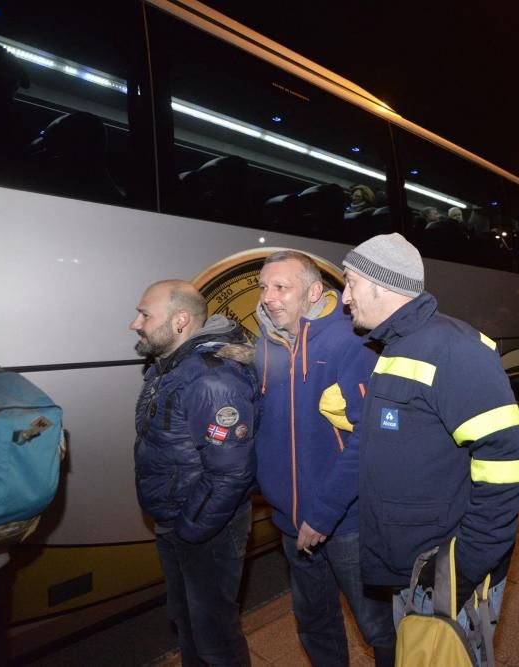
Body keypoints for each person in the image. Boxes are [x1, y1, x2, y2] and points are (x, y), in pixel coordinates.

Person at [341, 233, 519, 664]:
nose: (344, 297)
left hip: (443, 574)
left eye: (350, 282)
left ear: (382, 284)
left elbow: (508, 462)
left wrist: (462, 566)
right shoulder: (396, 345)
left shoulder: (453, 348)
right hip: (414, 570)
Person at [254, 251, 395, 667]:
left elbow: (368, 440)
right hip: (291, 523)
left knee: (377, 627)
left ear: (314, 291)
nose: (268, 297)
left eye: (281, 287)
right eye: (263, 286)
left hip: (345, 523)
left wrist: (325, 513)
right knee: (314, 623)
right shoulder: (266, 346)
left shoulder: (350, 343)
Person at [130, 280, 257, 667]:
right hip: (180, 522)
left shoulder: (210, 378)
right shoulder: (173, 368)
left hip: (206, 528)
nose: (134, 324)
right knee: (188, 625)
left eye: (145, 314)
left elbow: (231, 472)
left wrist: (189, 528)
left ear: (181, 320)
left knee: (215, 638)